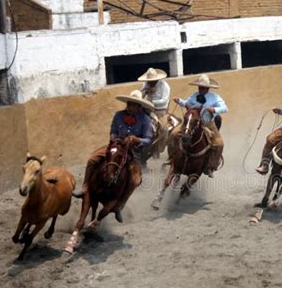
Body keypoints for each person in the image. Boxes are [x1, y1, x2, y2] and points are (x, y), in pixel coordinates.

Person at [78, 90, 154, 222]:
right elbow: (113, 130)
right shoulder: (118, 115)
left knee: (135, 179)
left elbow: (148, 139)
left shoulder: (146, 120)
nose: (131, 106)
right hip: (115, 146)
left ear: (139, 106)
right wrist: (113, 138)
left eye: (134, 104)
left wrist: (137, 140)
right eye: (130, 103)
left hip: (132, 151)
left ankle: (119, 204)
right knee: (92, 159)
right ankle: (85, 187)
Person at [172, 74, 228, 177]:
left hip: (207, 123)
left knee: (219, 144)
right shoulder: (194, 95)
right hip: (192, 122)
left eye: (203, 87)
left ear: (207, 88)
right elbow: (186, 103)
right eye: (199, 87)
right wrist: (179, 101)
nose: (201, 89)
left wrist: (214, 109)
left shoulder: (215, 97)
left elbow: (225, 108)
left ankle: (211, 166)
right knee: (174, 133)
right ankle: (173, 157)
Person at [138, 68, 171, 156]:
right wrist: (146, 91)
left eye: (152, 81)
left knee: (164, 129)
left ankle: (159, 148)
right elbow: (140, 95)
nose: (150, 82)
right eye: (149, 81)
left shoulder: (164, 86)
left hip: (160, 110)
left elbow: (164, 100)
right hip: (147, 108)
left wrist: (152, 102)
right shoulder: (146, 84)